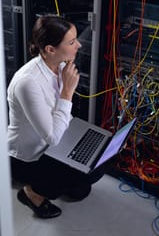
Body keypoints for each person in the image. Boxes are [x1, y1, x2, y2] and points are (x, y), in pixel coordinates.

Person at [7, 14, 103, 219]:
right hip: (29, 157)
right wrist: (67, 92)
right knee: (84, 178)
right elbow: (52, 136)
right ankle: (31, 193)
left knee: (91, 175)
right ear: (50, 49)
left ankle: (55, 180)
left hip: (54, 144)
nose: (78, 45)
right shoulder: (28, 83)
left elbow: (62, 120)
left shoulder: (60, 66)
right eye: (71, 42)